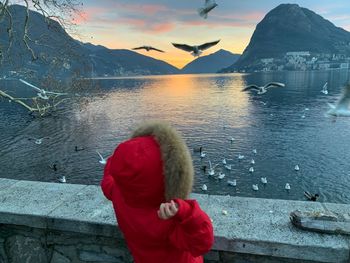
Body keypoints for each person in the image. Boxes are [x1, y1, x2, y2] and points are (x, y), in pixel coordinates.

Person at [101, 121, 214, 263]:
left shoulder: (118, 193)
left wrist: (124, 158)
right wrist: (185, 211)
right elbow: (203, 243)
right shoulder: (168, 217)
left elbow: (108, 179)